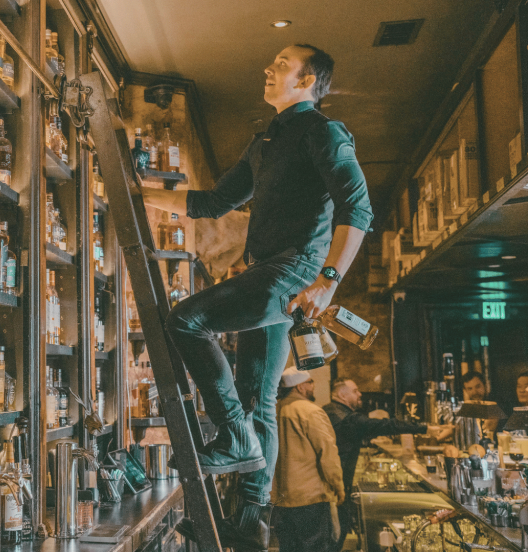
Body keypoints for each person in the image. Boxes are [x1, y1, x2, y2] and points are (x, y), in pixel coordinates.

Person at [141, 44, 372, 550]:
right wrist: (141, 194)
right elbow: (214, 202)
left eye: (282, 65)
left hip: (293, 270)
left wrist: (328, 279)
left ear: (308, 81)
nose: (269, 68)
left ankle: (233, 436)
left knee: (186, 320)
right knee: (257, 398)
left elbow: (357, 207)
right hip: (272, 269)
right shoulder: (266, 140)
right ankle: (249, 522)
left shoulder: (323, 132)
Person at [324, 378, 449, 550]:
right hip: (336, 487)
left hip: (331, 485)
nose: (360, 394)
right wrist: (425, 428)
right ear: (342, 395)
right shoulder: (346, 418)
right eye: (355, 391)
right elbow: (386, 425)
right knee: (335, 538)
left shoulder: (330, 411)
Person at [272, 367, 344, 552]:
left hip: (280, 500)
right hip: (310, 499)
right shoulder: (311, 412)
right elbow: (328, 455)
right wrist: (338, 487)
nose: (313, 386)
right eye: (310, 382)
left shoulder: (274, 411)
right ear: (300, 387)